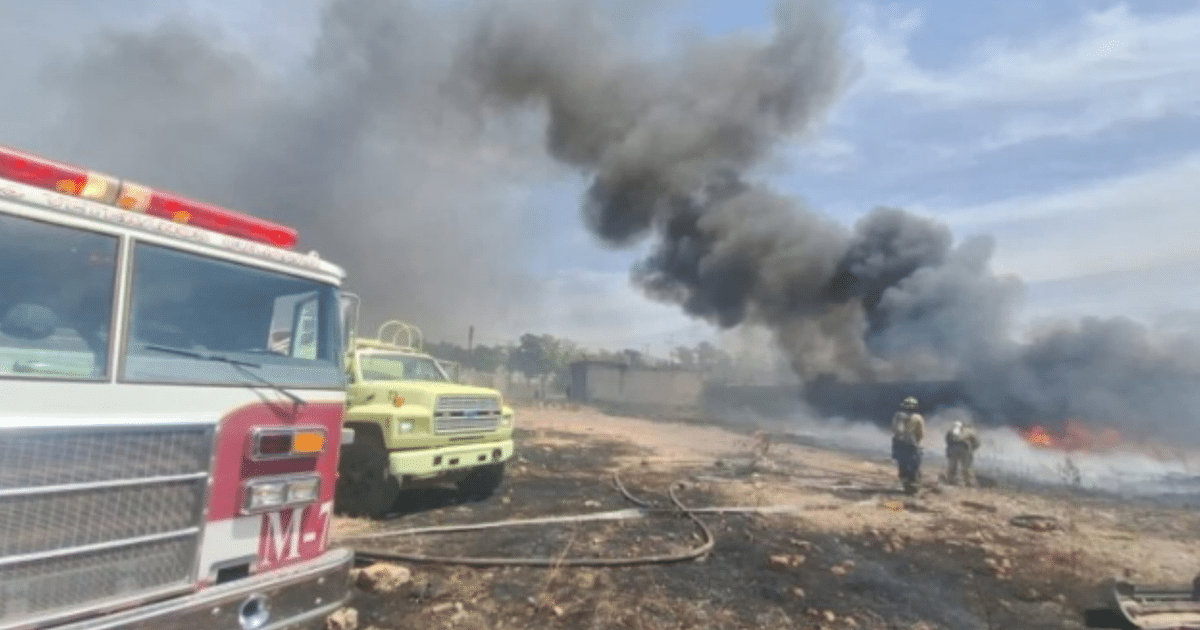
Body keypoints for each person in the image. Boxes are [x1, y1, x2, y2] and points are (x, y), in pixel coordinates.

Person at [891, 396, 925, 495]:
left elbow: (894, 429)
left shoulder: (897, 416)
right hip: (911, 445)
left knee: (902, 464)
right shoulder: (918, 418)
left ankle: (904, 481)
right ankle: (912, 487)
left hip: (898, 444)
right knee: (914, 465)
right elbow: (920, 434)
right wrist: (917, 443)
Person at [944, 420, 981, 487]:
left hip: (952, 448)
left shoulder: (953, 429)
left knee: (952, 465)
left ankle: (951, 480)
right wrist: (972, 449)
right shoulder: (971, 431)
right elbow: (977, 442)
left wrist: (949, 447)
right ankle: (968, 482)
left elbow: (947, 438)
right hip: (964, 448)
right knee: (966, 467)